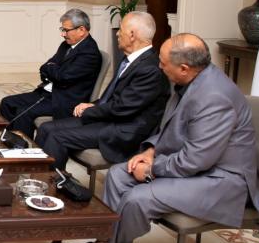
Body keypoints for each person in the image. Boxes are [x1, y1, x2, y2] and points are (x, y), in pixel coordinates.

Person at [57, 33, 259, 243]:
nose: (159, 66)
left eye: (163, 63)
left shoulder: (215, 97)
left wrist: (151, 169)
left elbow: (196, 160)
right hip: (198, 167)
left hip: (222, 181)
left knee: (137, 198)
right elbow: (173, 127)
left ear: (184, 68)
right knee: (117, 174)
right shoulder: (190, 80)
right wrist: (151, 151)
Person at [35, 12, 169, 170]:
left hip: (123, 131)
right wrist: (92, 104)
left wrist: (90, 111)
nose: (117, 33)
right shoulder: (131, 59)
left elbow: (122, 108)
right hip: (109, 119)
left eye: (121, 29)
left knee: (57, 137)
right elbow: (114, 97)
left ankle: (52, 182)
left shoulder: (149, 69)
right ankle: (37, 176)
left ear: (132, 35)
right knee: (46, 128)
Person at [0, 8, 102, 138]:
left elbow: (63, 77)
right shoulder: (66, 45)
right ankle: (6, 140)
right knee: (7, 102)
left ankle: (22, 147)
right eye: (62, 29)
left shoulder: (90, 53)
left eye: (66, 30)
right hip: (48, 93)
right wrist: (53, 70)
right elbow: (45, 67)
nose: (63, 34)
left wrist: (53, 70)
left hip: (64, 101)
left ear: (81, 30)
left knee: (23, 112)